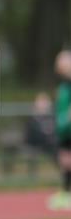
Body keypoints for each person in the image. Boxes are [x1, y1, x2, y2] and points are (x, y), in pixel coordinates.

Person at [48, 51, 71, 210]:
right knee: (64, 161)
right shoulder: (63, 86)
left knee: (66, 161)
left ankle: (66, 193)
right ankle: (65, 192)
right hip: (64, 129)